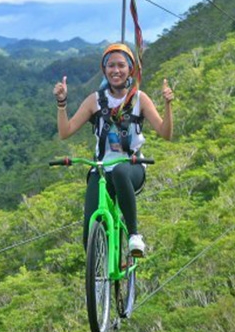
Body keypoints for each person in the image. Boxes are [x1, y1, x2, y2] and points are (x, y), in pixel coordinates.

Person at [53, 43, 174, 257]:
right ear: (104, 70)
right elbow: (65, 131)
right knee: (90, 228)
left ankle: (134, 236)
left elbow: (165, 133)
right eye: (110, 66)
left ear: (130, 70)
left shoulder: (140, 99)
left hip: (132, 168)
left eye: (121, 65)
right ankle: (100, 279)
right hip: (101, 169)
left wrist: (167, 105)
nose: (115, 70)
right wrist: (61, 103)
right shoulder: (95, 101)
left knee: (119, 171)